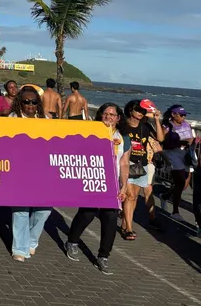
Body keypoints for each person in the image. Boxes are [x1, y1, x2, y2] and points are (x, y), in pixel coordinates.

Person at [65, 103, 130, 275]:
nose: (109, 117)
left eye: (112, 114)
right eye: (105, 114)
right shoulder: (91, 132)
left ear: (118, 118)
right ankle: (72, 241)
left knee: (110, 218)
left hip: (113, 184)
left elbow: (123, 163)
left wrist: (124, 185)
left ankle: (103, 256)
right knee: (87, 213)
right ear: (101, 116)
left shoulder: (123, 137)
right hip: (93, 179)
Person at [9, 86, 51, 261]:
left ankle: (31, 241)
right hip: (19, 172)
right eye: (26, 101)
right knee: (21, 210)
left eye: (34, 102)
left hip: (42, 172)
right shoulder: (13, 119)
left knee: (44, 210)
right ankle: (19, 248)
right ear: (20, 102)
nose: (30, 105)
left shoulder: (47, 119)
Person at [120, 100, 165, 238]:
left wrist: (157, 120)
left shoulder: (145, 126)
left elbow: (160, 138)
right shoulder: (123, 126)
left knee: (133, 197)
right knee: (130, 195)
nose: (141, 113)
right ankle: (128, 228)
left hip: (141, 164)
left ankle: (124, 224)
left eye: (143, 111)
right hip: (127, 163)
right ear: (130, 110)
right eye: (138, 110)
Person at [159, 131, 189, 222]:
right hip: (177, 169)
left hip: (180, 169)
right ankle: (175, 212)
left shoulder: (174, 150)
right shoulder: (175, 151)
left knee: (179, 187)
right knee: (179, 187)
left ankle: (165, 196)